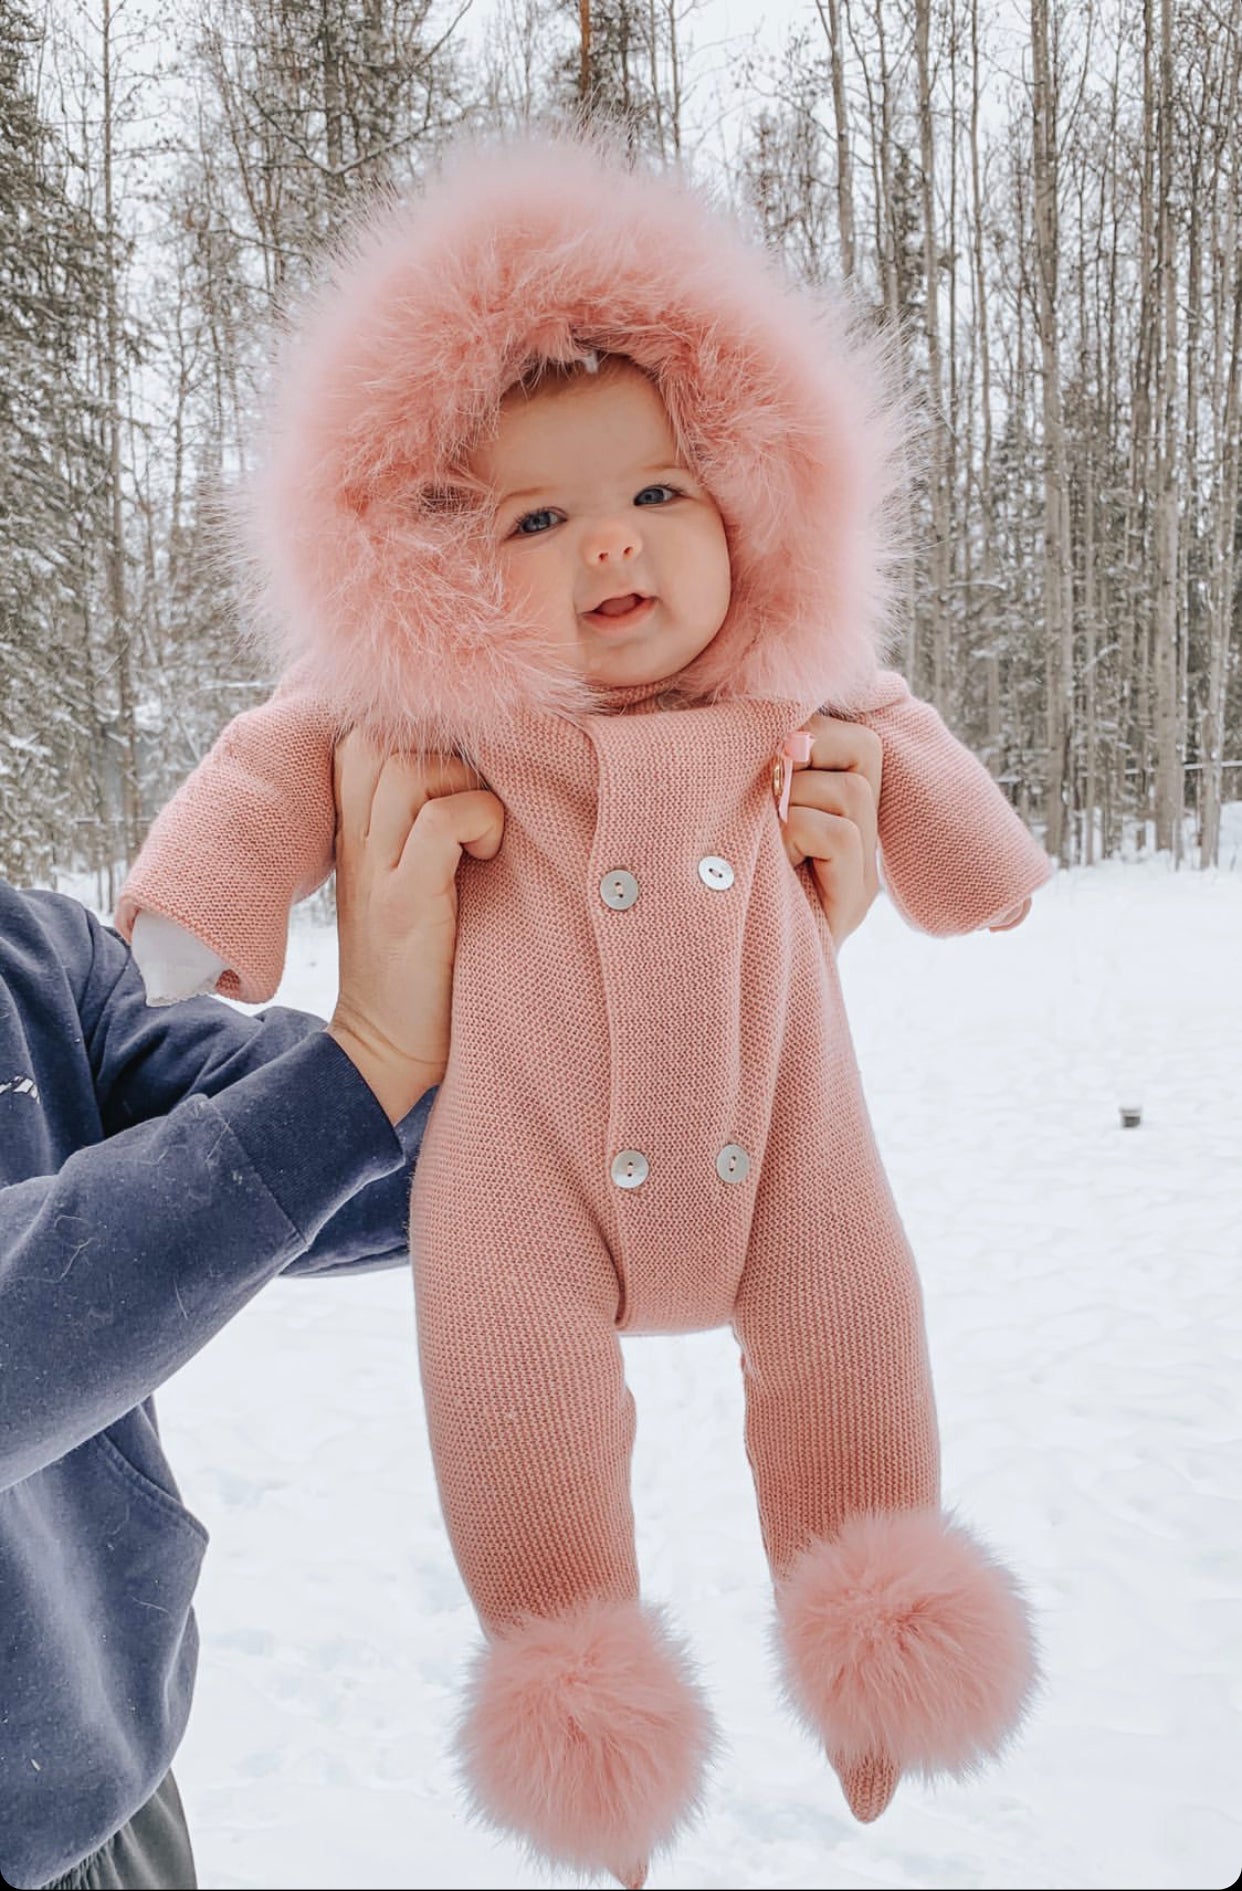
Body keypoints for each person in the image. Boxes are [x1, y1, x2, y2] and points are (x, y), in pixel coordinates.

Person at [113, 131, 1052, 1887]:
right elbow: (270, 763)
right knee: (516, 1425)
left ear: (747, 507)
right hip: (520, 1172)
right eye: (536, 519)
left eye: (657, 493)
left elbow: (912, 757)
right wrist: (190, 921)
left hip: (789, 1146)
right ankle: (583, 1721)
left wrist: (973, 871)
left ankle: (882, 1659)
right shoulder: (440, 717)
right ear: (446, 566)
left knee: (854, 1357)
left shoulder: (795, 684)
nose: (608, 542)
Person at [0, 735, 505, 1891]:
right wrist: (361, 1068)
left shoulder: (32, 958)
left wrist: (703, 958)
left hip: (102, 1774)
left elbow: (378, 1144)